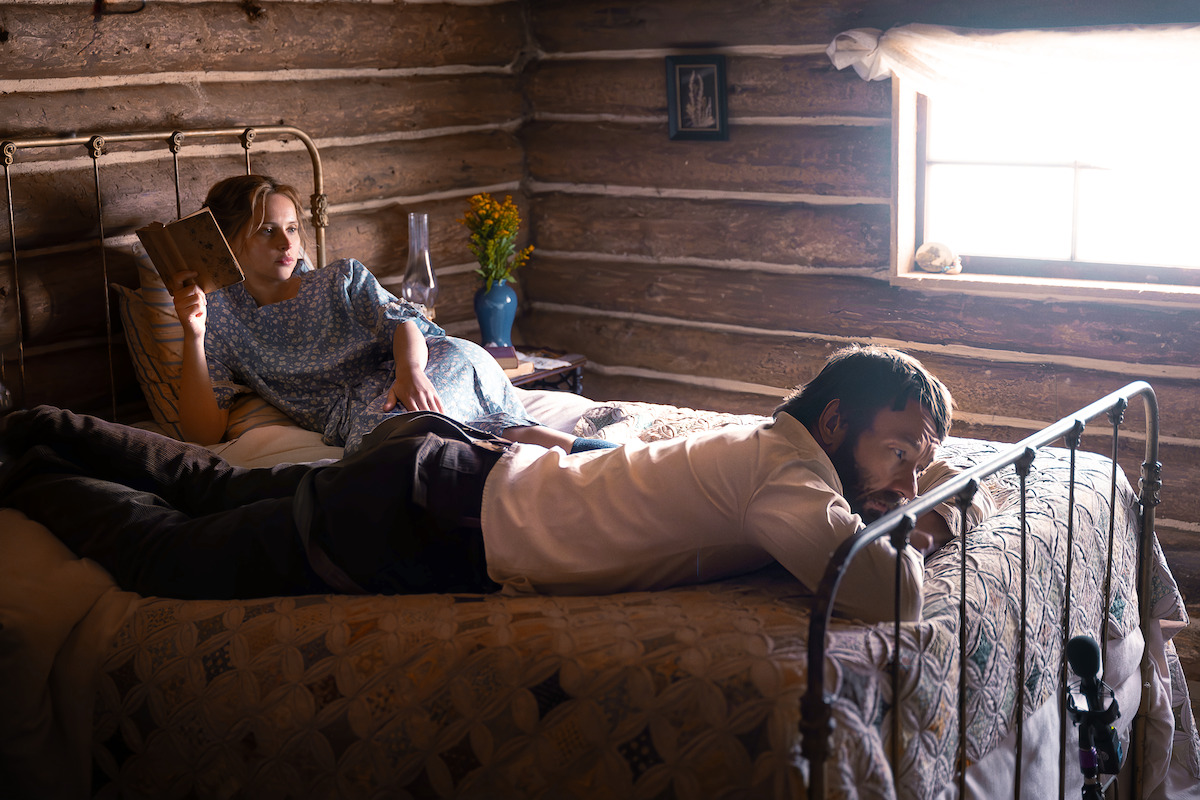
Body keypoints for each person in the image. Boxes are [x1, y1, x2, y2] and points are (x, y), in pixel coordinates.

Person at [0, 344, 994, 622]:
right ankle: (25, 466)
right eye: (899, 449)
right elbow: (887, 594)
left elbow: (936, 479)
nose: (908, 472)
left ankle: (32, 425)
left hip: (444, 470)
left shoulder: (780, 442)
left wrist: (933, 478)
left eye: (917, 457)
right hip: (420, 517)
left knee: (217, 489)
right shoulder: (786, 482)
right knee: (169, 554)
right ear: (835, 423)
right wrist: (929, 523)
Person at [170, 174, 609, 455]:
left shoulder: (340, 278)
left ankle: (573, 453)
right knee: (397, 443)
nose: (287, 244)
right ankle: (574, 454)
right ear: (227, 240)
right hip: (371, 413)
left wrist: (409, 372)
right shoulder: (221, 320)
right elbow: (202, 434)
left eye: (291, 229)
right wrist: (193, 334)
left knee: (410, 435)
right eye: (267, 231)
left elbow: (405, 323)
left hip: (430, 364)